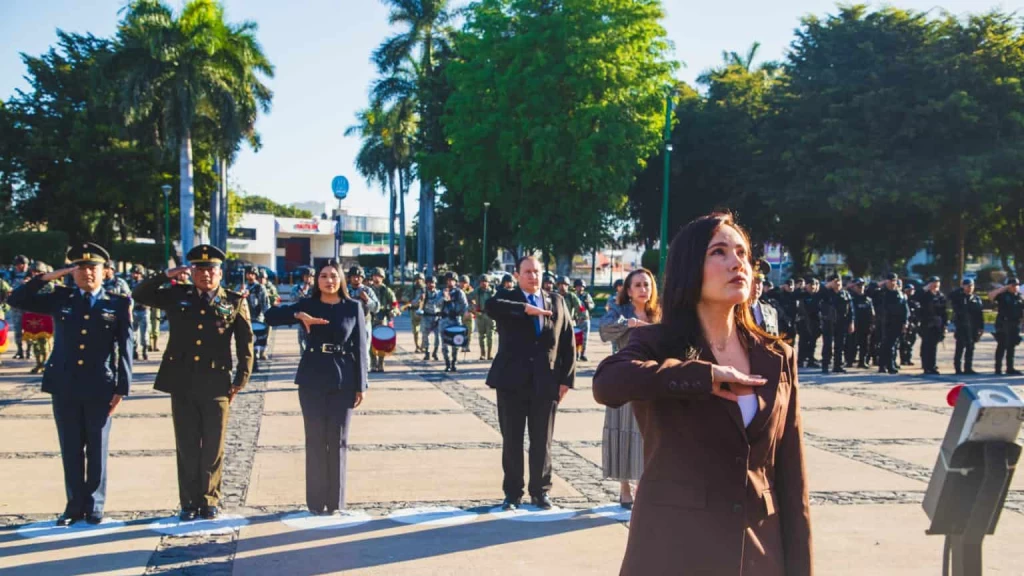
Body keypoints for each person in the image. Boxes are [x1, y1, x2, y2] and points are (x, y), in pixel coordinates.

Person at [592, 212, 812, 575]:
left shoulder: (776, 356)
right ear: (689, 267)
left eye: (742, 253)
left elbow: (792, 479)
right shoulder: (657, 342)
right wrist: (702, 376)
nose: (737, 263)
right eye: (719, 252)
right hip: (675, 548)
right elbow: (608, 383)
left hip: (759, 550)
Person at [9, 243, 133, 527]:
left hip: (100, 386)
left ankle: (95, 505)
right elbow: (17, 299)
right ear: (72, 272)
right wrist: (50, 276)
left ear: (105, 272)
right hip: (64, 384)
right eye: (81, 268)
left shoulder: (117, 303)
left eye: (93, 268)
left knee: (97, 447)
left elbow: (125, 349)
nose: (87, 273)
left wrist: (122, 388)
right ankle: (73, 506)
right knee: (71, 447)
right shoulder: (59, 298)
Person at [132, 244, 253, 521]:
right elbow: (139, 293)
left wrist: (241, 379)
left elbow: (246, 343)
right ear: (191, 272)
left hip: (217, 383)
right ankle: (188, 502)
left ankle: (209, 500)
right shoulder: (178, 296)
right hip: (182, 382)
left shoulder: (233, 301)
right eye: (199, 269)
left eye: (210, 269)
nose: (205, 274)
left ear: (220, 273)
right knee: (186, 445)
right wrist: (168, 275)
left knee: (213, 446)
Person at [264, 260, 368, 515]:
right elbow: (269, 316)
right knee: (315, 440)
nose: (329, 280)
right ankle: (315, 501)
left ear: (341, 280)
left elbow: (361, 347)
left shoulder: (353, 307)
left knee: (338, 440)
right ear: (317, 280)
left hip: (343, 379)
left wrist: (361, 384)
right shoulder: (307, 304)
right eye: (323, 276)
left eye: (333, 276)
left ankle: (335, 501)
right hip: (312, 377)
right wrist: (298, 315)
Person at [485, 256, 576, 511]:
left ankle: (541, 491)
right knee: (512, 440)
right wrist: (525, 309)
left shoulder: (556, 301)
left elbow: (568, 342)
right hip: (512, 382)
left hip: (545, 383)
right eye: (527, 272)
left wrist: (566, 380)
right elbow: (490, 306)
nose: (532, 276)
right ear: (517, 275)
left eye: (536, 272)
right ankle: (512, 493)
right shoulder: (508, 299)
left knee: (542, 441)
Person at [598, 267, 658, 509]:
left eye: (647, 284)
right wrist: (628, 323)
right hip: (623, 379)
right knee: (624, 431)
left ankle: (645, 485)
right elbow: (604, 330)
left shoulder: (659, 314)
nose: (643, 289)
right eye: (638, 285)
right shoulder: (619, 311)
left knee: (650, 434)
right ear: (629, 291)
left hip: (653, 380)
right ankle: (625, 487)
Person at [22, 261, 57, 373]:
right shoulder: (29, 285)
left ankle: (46, 363)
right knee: (34, 342)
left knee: (45, 342)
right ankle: (39, 363)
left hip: (46, 316)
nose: (36, 274)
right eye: (34, 271)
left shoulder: (50, 285)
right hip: (32, 316)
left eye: (39, 272)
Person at [818, 273, 854, 374]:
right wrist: (826, 287)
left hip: (841, 322)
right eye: (835, 281)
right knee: (827, 345)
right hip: (828, 322)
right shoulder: (826, 293)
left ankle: (838, 366)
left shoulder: (845, 294)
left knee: (840, 345)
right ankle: (825, 366)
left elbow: (851, 310)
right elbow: (817, 296)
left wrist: (851, 322)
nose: (838, 283)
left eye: (839, 281)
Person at [990, 277, 1024, 375]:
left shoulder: (1019, 297)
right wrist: (1004, 288)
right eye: (1013, 285)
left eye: (1017, 285)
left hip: (1015, 324)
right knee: (1002, 345)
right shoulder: (1003, 295)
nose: (1015, 287)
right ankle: (998, 368)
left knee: (1011, 346)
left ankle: (1010, 368)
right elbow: (991, 296)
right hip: (1003, 323)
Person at [347, 267, 379, 369]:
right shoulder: (344, 290)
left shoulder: (368, 290)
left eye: (358, 277)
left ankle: (364, 375)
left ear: (362, 278)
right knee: (347, 350)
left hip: (364, 323)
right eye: (354, 277)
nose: (356, 279)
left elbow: (376, 308)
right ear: (349, 278)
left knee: (364, 350)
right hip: (348, 323)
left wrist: (367, 299)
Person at [950, 278, 983, 375]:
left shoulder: (976, 299)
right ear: (963, 286)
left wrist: (981, 327)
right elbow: (951, 296)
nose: (969, 288)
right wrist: (960, 290)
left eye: (971, 286)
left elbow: (980, 314)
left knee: (970, 348)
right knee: (960, 347)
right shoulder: (959, 297)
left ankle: (968, 368)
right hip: (961, 325)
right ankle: (958, 368)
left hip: (973, 327)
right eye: (967, 286)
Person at [878, 273, 909, 374]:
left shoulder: (900, 294)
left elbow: (905, 310)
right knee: (885, 344)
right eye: (890, 280)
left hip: (897, 322)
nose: (892, 283)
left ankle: (890, 364)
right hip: (885, 322)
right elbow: (870, 291)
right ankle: (884, 365)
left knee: (893, 344)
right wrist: (880, 284)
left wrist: (905, 322)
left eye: (894, 281)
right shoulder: (882, 292)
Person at [368, 267, 398, 372]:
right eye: (375, 276)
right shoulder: (368, 289)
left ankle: (380, 363)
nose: (377, 278)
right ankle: (373, 363)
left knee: (381, 342)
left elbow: (394, 304)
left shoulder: (387, 291)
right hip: (370, 318)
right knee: (370, 342)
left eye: (379, 276)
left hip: (382, 318)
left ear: (383, 278)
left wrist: (393, 311)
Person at [915, 277, 946, 375]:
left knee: (933, 347)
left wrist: (945, 325)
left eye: (937, 283)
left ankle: (932, 366)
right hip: (926, 323)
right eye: (933, 283)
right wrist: (925, 288)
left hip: (937, 324)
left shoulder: (940, 296)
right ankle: (926, 366)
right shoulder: (925, 295)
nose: (935, 285)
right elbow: (915, 297)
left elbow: (944, 312)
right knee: (926, 346)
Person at [439, 272, 468, 372]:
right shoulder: (442, 292)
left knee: (456, 342)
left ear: (455, 282)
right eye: (448, 280)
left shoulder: (459, 292)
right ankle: (447, 363)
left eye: (452, 280)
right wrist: (444, 298)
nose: (450, 282)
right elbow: (436, 304)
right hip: (444, 320)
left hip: (455, 319)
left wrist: (458, 312)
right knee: (444, 343)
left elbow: (464, 306)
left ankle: (454, 362)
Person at [243, 267, 270, 372]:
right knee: (245, 343)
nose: (249, 276)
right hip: (244, 318)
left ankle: (254, 364)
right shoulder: (242, 286)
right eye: (248, 274)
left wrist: (267, 317)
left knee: (255, 343)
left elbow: (265, 303)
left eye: (252, 274)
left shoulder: (259, 288)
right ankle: (246, 364)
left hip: (256, 318)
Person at [847, 279, 875, 368]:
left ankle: (862, 361)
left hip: (865, 325)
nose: (861, 288)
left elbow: (872, 313)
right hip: (854, 325)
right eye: (858, 286)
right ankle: (849, 361)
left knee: (864, 345)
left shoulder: (868, 299)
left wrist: (872, 324)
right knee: (851, 344)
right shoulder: (851, 298)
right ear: (854, 287)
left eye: (862, 286)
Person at [8, 255, 29, 359]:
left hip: (30, 306)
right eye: (19, 265)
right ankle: (20, 350)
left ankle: (29, 351)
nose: (21, 267)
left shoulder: (31, 274)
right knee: (17, 329)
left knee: (30, 328)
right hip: (16, 306)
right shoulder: (11, 275)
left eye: (24, 264)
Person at [797, 278, 821, 368]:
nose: (812, 287)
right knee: (803, 342)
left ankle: (811, 360)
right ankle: (800, 360)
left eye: (814, 285)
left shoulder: (817, 296)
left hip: (814, 322)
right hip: (804, 322)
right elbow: (794, 296)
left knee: (813, 342)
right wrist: (800, 288)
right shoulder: (802, 295)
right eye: (810, 285)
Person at [472, 275, 497, 360]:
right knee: (481, 336)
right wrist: (473, 308)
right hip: (480, 315)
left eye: (485, 281)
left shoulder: (492, 292)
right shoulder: (477, 291)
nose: (484, 283)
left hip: (490, 316)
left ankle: (490, 354)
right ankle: (482, 354)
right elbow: (468, 298)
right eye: (482, 282)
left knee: (490, 336)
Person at [128, 266, 150, 360]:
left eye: (137, 273)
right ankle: (134, 350)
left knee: (144, 333)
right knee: (133, 333)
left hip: (144, 310)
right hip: (133, 310)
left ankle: (145, 349)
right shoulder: (129, 283)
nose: (135, 275)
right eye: (133, 273)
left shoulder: (145, 284)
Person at [291, 268, 315, 354]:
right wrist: (303, 292)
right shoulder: (297, 288)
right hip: (302, 317)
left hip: (314, 317)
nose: (308, 279)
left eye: (310, 277)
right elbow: (293, 299)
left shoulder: (318, 289)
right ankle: (303, 355)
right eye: (306, 276)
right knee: (301, 339)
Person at [258, 269, 279, 360]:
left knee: (266, 334)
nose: (261, 280)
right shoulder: (254, 287)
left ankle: (263, 352)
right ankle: (256, 352)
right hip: (257, 315)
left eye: (263, 278)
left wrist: (273, 300)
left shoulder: (271, 288)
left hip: (267, 315)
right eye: (260, 278)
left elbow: (276, 299)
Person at [420, 276, 443, 361]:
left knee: (438, 337)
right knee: (426, 336)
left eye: (432, 283)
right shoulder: (423, 293)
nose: (431, 285)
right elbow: (415, 302)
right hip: (427, 317)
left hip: (437, 317)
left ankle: (435, 352)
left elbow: (443, 302)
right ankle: (427, 352)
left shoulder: (439, 293)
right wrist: (420, 300)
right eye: (429, 283)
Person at [750, 271, 779, 336]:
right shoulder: (735, 311)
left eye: (759, 282)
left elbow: (775, 339)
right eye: (752, 282)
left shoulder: (771, 311)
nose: (756, 286)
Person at [573, 279, 595, 361]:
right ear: (575, 287)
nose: (580, 288)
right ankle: (577, 354)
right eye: (578, 286)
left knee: (585, 339)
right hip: (576, 320)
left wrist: (588, 304)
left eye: (582, 287)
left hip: (585, 319)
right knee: (577, 338)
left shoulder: (586, 295)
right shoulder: (573, 296)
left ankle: (583, 354)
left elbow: (592, 305)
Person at [900, 282, 920, 367]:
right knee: (904, 343)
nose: (910, 292)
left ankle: (908, 358)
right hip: (906, 324)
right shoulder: (903, 300)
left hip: (913, 324)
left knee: (911, 342)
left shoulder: (915, 301)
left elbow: (918, 312)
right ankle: (903, 359)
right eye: (908, 290)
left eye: (912, 290)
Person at [408, 273, 426, 352]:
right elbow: (404, 297)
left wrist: (424, 300)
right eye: (417, 280)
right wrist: (411, 301)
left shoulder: (426, 289)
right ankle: (417, 346)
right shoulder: (411, 288)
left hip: (424, 311)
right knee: (415, 330)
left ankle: (423, 346)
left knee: (425, 329)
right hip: (414, 310)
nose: (418, 281)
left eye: (420, 279)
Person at [459, 274, 475, 354]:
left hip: (469, 314)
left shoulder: (472, 292)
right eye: (461, 282)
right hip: (460, 314)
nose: (463, 284)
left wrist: (471, 311)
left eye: (464, 282)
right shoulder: (457, 291)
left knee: (469, 331)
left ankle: (467, 345)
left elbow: (474, 303)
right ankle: (462, 346)